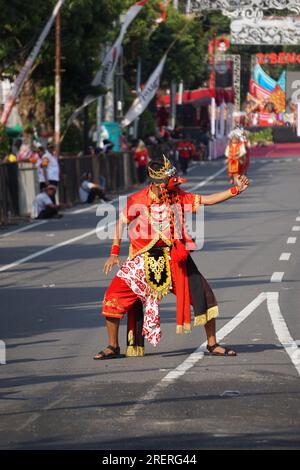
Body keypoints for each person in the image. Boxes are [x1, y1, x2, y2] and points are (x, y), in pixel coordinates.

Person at [93, 155, 249, 360]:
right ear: (157, 184)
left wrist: (235, 190)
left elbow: (208, 200)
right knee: (113, 296)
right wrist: (114, 252)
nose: (172, 185)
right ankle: (113, 346)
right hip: (143, 259)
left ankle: (212, 344)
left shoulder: (179, 196)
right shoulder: (137, 199)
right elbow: (120, 223)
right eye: (168, 182)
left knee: (204, 295)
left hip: (174, 257)